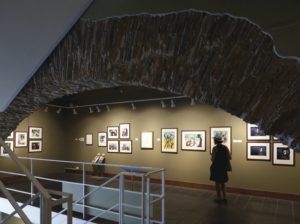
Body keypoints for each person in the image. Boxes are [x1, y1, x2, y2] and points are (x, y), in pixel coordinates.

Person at [210, 136, 231, 204]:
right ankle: (225, 197)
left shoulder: (215, 148)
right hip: (223, 167)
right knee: (223, 183)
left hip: (216, 167)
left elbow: (212, 159)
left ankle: (219, 197)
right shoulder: (225, 148)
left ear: (215, 141)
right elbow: (230, 157)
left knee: (217, 183)